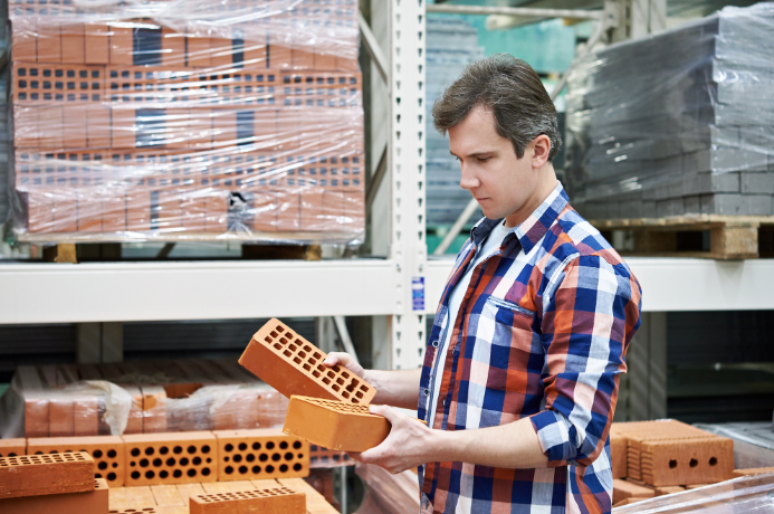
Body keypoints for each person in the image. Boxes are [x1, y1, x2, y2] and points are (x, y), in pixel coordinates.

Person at [324, 54, 642, 514]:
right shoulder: (487, 240)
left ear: (538, 150)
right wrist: (370, 383)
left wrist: (434, 443)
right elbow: (467, 378)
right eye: (458, 159)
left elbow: (572, 429)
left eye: (482, 159)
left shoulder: (582, 267)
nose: (465, 179)